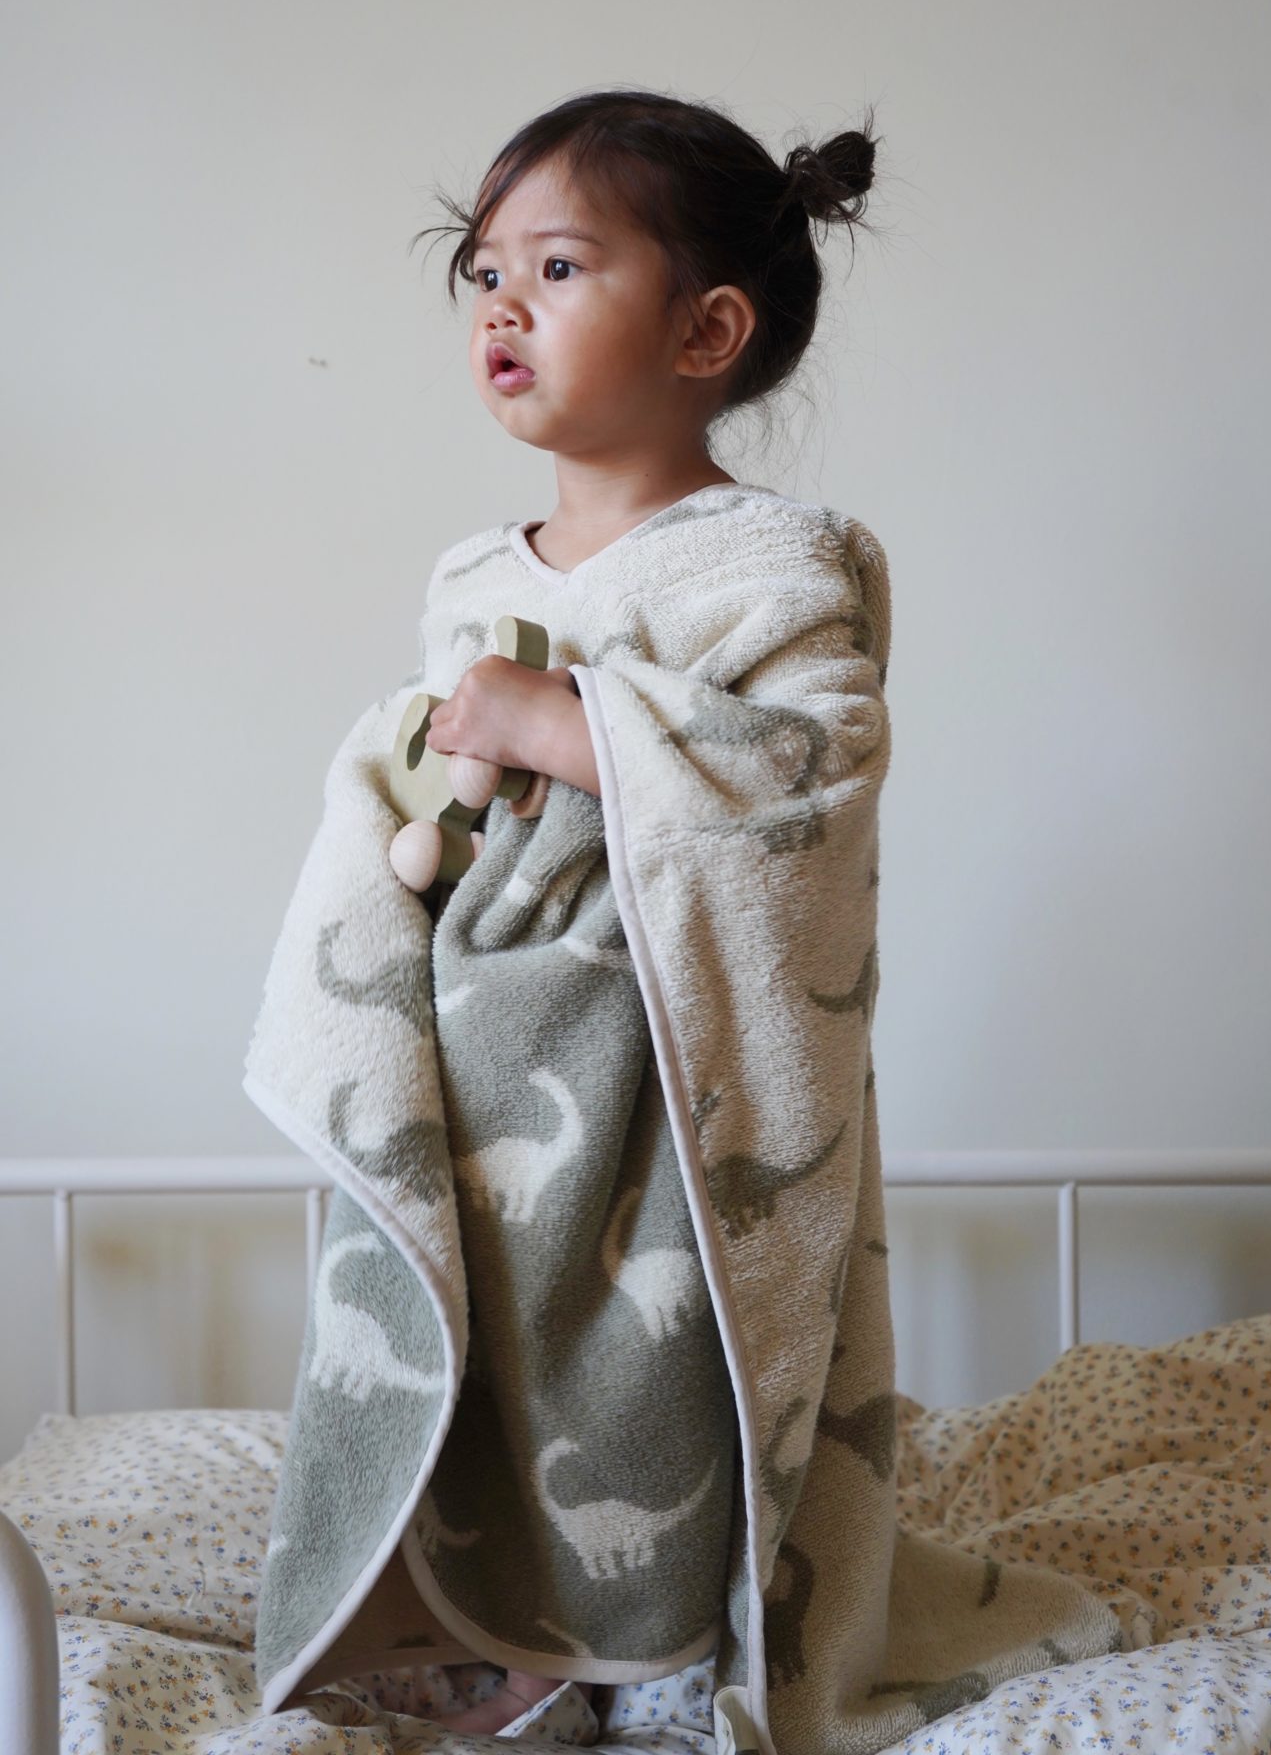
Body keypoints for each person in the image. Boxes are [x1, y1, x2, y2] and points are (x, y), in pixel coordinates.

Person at [390, 84, 881, 1743]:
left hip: (671, 1064)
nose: (501, 305)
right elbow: (433, 785)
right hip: (490, 1037)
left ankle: (660, 1632)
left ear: (706, 330)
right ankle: (503, 1615)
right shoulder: (473, 577)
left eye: (557, 266)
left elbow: (815, 772)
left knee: (643, 1341)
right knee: (496, 1338)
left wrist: (573, 724)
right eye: (482, 271)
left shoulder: (775, 563)